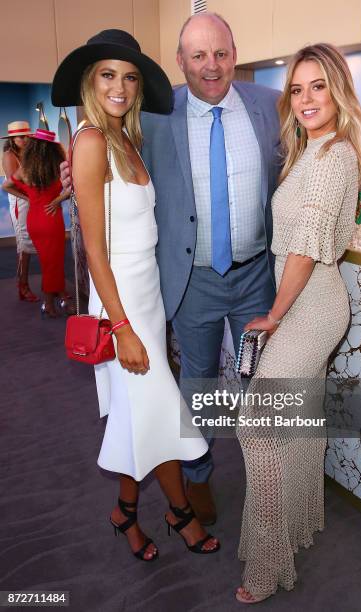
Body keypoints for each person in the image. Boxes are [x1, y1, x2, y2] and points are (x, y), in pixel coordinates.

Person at [59, 12, 281, 525]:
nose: (211, 66)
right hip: (191, 284)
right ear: (180, 62)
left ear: (235, 54)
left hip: (255, 283)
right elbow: (102, 170)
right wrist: (77, 169)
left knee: (261, 384)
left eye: (221, 54)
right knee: (196, 389)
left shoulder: (270, 106)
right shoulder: (156, 117)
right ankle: (196, 485)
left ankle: (271, 483)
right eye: (198, 56)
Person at [51, 29, 219, 561]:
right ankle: (179, 513)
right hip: (120, 300)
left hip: (145, 295)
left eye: (128, 77)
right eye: (107, 75)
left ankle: (126, 511)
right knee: (158, 409)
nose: (120, 87)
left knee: (139, 415)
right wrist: (121, 327)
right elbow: (96, 252)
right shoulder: (94, 140)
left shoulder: (127, 137)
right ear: (89, 81)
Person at [235, 43, 361, 603]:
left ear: (337, 90)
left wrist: (274, 316)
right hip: (305, 301)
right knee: (300, 422)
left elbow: (307, 250)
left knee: (258, 428)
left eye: (319, 86)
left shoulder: (334, 155)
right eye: (298, 88)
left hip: (312, 306)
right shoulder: (306, 152)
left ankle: (267, 565)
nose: (308, 98)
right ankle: (298, 524)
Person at [2, 129, 71, 318]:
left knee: (48, 262)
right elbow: (72, 188)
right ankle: (49, 303)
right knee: (53, 263)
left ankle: (59, 297)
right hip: (51, 219)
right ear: (52, 148)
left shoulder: (26, 168)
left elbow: (6, 185)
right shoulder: (56, 166)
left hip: (34, 219)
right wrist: (58, 200)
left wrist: (28, 196)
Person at [1, 121, 38, 302]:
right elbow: (12, 183)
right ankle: (23, 286)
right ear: (12, 139)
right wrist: (32, 196)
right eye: (20, 137)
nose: (24, 139)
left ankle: (44, 285)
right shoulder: (9, 155)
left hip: (32, 198)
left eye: (26, 136)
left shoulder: (30, 153)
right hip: (20, 200)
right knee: (24, 243)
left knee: (31, 242)